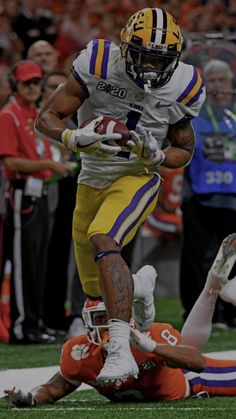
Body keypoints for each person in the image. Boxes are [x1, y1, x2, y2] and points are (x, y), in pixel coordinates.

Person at [35, 7, 206, 384]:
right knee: (93, 289)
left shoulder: (185, 84)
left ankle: (120, 351)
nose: (148, 67)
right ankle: (139, 286)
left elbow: (184, 151)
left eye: (158, 60)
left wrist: (157, 155)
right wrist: (72, 138)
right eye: (142, 55)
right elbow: (46, 118)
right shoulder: (97, 61)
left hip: (138, 176)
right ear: (124, 46)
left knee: (104, 238)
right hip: (91, 178)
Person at [4, 234, 236, 406]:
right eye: (100, 318)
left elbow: (196, 361)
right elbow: (54, 388)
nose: (107, 324)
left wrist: (151, 347)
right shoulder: (79, 353)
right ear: (88, 322)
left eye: (111, 316)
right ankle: (211, 287)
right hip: (159, 379)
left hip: (189, 380)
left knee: (187, 355)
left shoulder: (148, 335)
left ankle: (212, 288)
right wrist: (31, 397)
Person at [0, 60, 73, 344]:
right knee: (23, 263)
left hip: (39, 191)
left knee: (39, 262)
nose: (31, 88)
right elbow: (10, 161)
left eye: (35, 83)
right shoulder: (9, 115)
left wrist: (54, 162)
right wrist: (47, 164)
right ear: (15, 85)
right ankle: (21, 325)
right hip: (21, 193)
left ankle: (35, 321)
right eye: (26, 83)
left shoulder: (32, 113)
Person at [179, 59, 236, 328]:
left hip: (233, 198)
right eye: (210, 80)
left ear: (230, 84)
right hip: (199, 198)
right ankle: (194, 312)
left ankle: (229, 315)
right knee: (196, 258)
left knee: (233, 259)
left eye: (221, 81)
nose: (216, 86)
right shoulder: (194, 114)